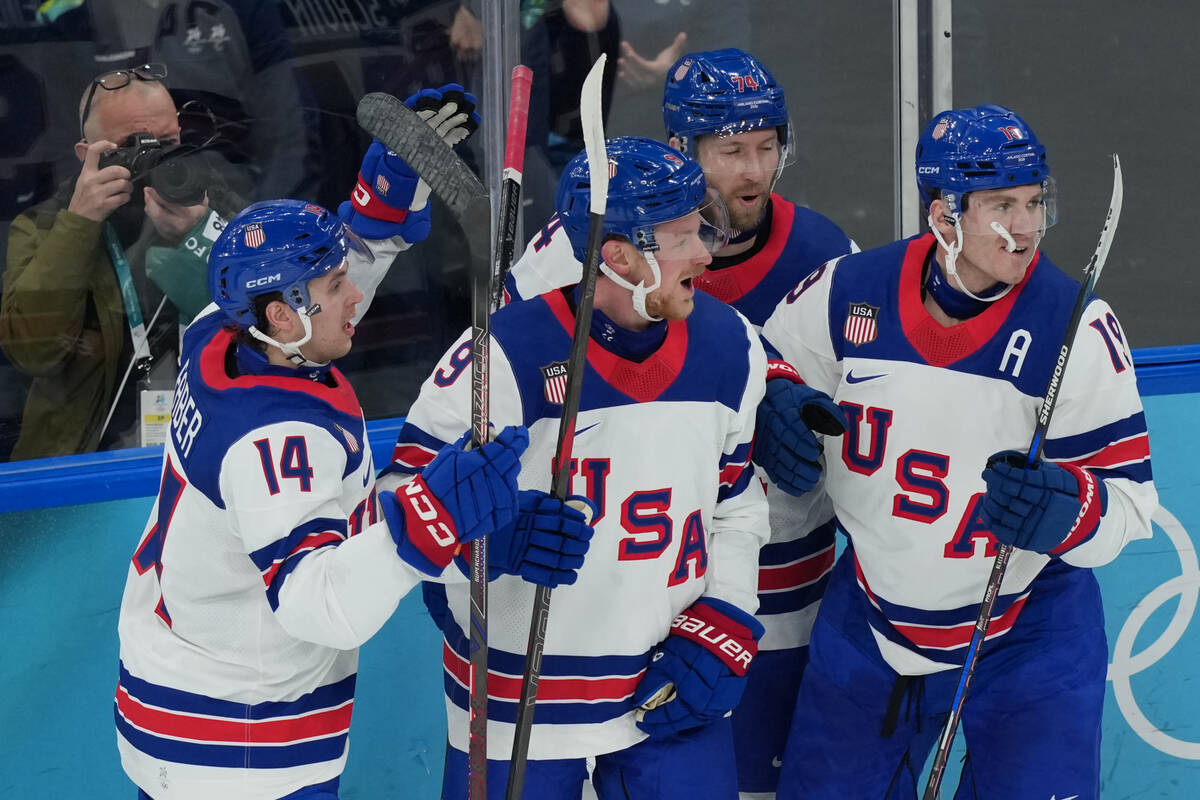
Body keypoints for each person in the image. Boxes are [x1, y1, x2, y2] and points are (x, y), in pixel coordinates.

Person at [114, 197, 594, 800]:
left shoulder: (222, 332)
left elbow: (290, 296)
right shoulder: (279, 442)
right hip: (237, 740)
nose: (356, 298)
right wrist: (425, 524)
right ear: (281, 318)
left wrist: (374, 226)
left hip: (190, 696)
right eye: (338, 283)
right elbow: (320, 604)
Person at [757, 104, 1158, 799]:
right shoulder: (848, 293)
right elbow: (766, 372)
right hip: (872, 610)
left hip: (1029, 624)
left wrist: (1069, 510)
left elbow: (1130, 505)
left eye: (1035, 201)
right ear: (944, 217)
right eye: (1003, 204)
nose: (1027, 225)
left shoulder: (1076, 327)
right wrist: (775, 412)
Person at [504, 47, 857, 798]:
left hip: (783, 586)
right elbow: (511, 379)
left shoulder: (829, 253)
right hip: (632, 590)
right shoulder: (576, 246)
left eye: (767, 148)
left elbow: (855, 423)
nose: (753, 173)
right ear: (681, 151)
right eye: (731, 151)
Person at [381, 136, 773, 798]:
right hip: (516, 701)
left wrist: (728, 616)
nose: (705, 253)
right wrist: (484, 544)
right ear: (619, 257)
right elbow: (397, 510)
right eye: (683, 237)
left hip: (669, 689)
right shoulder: (499, 359)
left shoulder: (731, 345)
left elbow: (735, 503)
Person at [0, 65, 210, 460]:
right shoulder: (44, 228)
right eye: (131, 145)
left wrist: (199, 236)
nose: (152, 157)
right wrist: (79, 225)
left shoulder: (211, 200)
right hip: (88, 460)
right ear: (86, 155)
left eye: (166, 141)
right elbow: (33, 352)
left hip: (204, 455)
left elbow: (272, 321)